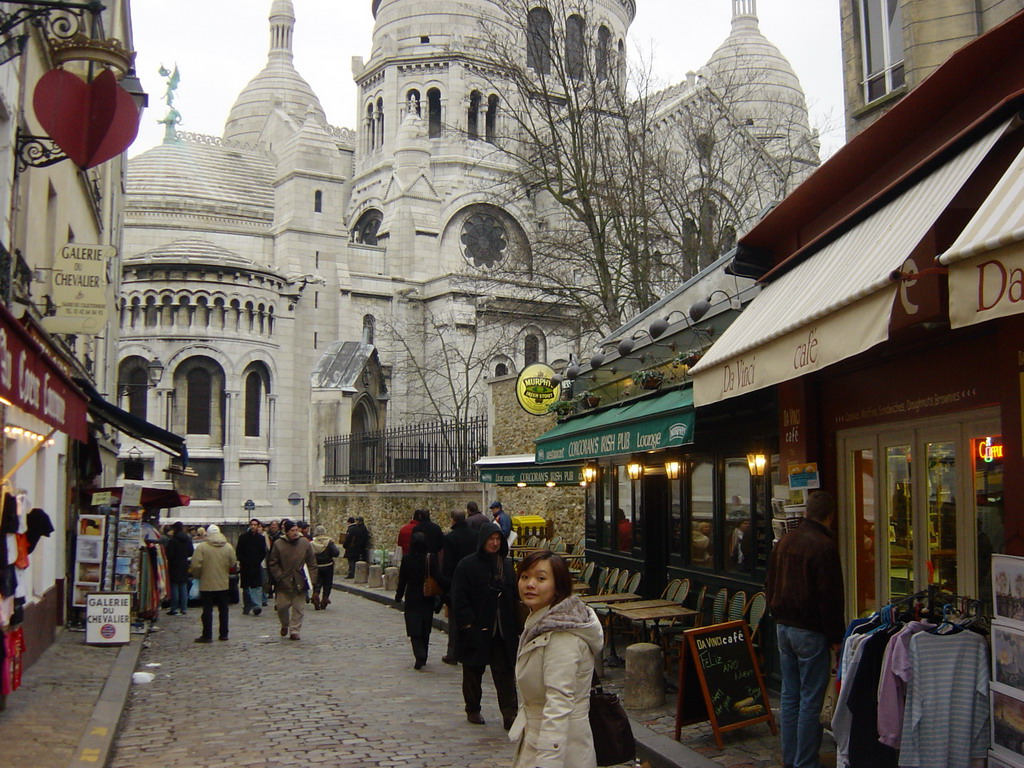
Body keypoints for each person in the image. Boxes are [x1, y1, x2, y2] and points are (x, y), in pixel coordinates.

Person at [765, 490, 845, 768]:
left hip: (784, 627)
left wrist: (776, 614)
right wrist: (837, 638)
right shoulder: (823, 546)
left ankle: (791, 759)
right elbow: (830, 597)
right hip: (810, 630)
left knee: (790, 696)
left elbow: (769, 583)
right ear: (829, 516)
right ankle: (805, 762)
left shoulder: (785, 541)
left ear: (807, 511)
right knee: (810, 698)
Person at [510, 550, 603, 768]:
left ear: (558, 586)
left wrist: (546, 762)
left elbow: (559, 703)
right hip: (537, 738)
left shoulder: (561, 636)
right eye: (525, 577)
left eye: (541, 578)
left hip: (561, 749)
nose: (530, 584)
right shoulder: (539, 622)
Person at [450, 521, 519, 729]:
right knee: (473, 671)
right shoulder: (467, 565)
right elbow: (459, 597)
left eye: (498, 539)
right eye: (491, 539)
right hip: (477, 627)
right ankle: (473, 708)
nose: (495, 543)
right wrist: (468, 624)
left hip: (502, 629)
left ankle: (510, 713)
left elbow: (514, 595)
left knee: (505, 673)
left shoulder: (505, 565)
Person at [267, 519, 318, 640]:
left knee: (298, 608)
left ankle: (294, 630)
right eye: (292, 530)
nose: (295, 533)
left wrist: (311, 579)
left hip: (300, 581)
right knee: (281, 607)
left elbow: (312, 562)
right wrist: (279, 576)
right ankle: (285, 624)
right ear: (286, 532)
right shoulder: (278, 544)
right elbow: (273, 563)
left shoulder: (304, 543)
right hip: (283, 582)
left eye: (296, 530)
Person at [395, 532, 439, 669]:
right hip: (427, 596)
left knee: (414, 628)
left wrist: (398, 595)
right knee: (425, 627)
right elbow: (437, 577)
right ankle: (423, 653)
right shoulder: (430, 558)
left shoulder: (407, 559)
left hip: (413, 597)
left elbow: (403, 579)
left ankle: (419, 654)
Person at [440, 509, 478, 665]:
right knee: (473, 617)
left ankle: (454, 652)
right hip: (474, 582)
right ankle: (472, 650)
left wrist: (446, 587)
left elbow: (447, 564)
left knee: (455, 621)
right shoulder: (475, 535)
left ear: (453, 520)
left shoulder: (450, 538)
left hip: (456, 583)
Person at [189, 524, 237, 643]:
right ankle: (224, 633)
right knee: (223, 609)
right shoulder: (228, 547)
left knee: (207, 610)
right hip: (223, 582)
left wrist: (199, 575)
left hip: (207, 582)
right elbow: (233, 563)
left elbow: (195, 565)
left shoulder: (202, 547)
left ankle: (207, 634)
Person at [236, 517, 268, 616]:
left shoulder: (260, 538)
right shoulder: (243, 537)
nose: (253, 527)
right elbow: (238, 551)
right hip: (245, 566)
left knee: (257, 587)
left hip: (256, 566)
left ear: (258, 526)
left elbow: (263, 552)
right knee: (246, 588)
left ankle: (256, 606)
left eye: (255, 525)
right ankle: (247, 606)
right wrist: (243, 561)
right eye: (252, 525)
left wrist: (257, 561)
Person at [165, 521, 194, 616]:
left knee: (174, 586)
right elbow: (191, 552)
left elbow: (169, 554)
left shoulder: (173, 540)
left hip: (174, 564)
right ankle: (184, 608)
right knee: (183, 586)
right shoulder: (188, 539)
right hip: (184, 564)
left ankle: (174, 608)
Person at [311, 525, 340, 610]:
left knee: (317, 583)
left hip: (317, 566)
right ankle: (325, 598)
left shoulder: (312, 543)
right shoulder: (329, 542)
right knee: (327, 583)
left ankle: (315, 594)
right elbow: (336, 553)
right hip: (328, 565)